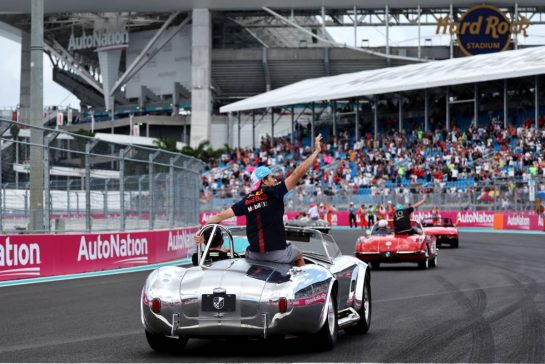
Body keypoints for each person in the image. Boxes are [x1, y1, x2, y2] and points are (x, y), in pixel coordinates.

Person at [195, 134, 323, 267]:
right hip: (277, 253)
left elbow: (219, 216)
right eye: (272, 177)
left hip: (254, 254)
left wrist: (200, 231)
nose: (275, 180)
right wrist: (316, 152)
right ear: (264, 180)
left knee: (247, 252)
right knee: (298, 254)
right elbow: (297, 173)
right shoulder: (275, 192)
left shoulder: (246, 201)